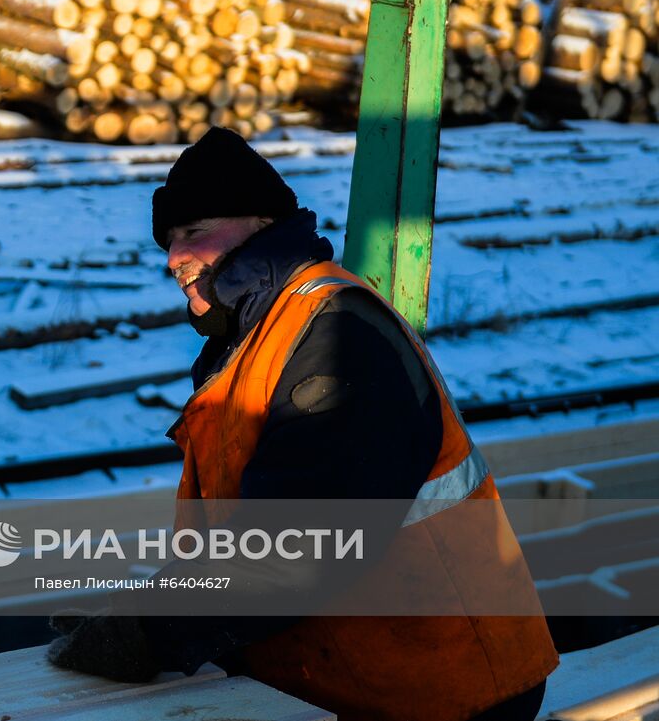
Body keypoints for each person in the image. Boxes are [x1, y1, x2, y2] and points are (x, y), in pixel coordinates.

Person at [45, 127, 557, 721]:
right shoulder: (264, 336)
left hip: (444, 690)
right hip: (356, 675)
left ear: (263, 225)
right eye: (167, 241)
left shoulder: (332, 332)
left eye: (194, 232)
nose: (172, 259)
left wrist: (146, 631)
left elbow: (300, 542)